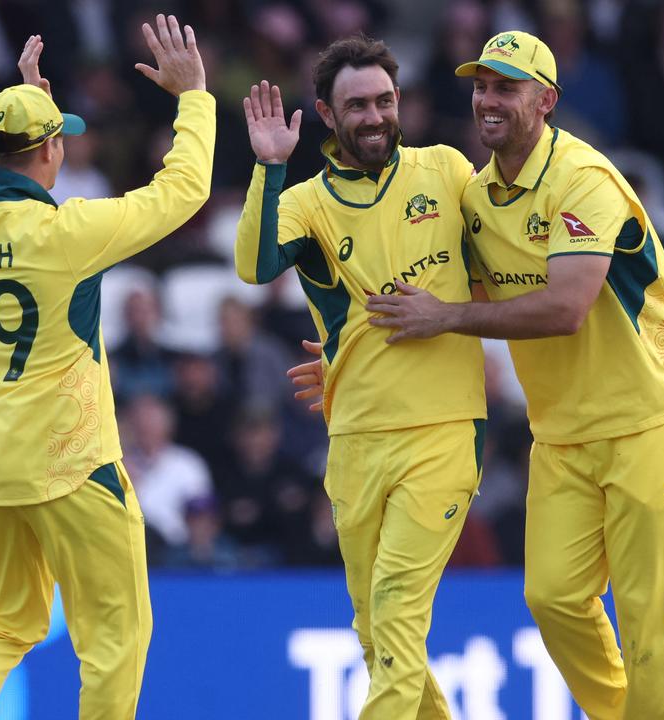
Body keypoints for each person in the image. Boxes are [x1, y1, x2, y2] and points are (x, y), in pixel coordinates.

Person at [349, 30, 664, 720]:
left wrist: (447, 317)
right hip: (565, 430)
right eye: (482, 86)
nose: (488, 101)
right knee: (552, 599)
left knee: (645, 615)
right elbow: (447, 288)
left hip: (654, 413)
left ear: (546, 100)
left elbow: (567, 307)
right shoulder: (478, 195)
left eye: (506, 88)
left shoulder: (585, 178)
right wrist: (346, 355)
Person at [0, 17, 214, 719]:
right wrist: (196, 98)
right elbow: (183, 193)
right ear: (52, 149)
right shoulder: (64, 233)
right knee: (117, 635)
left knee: (1, 624)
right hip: (73, 468)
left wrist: (21, 108)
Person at [234, 35, 486, 719]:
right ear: (325, 112)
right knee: (377, 635)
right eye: (357, 105)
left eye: (384, 100)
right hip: (354, 438)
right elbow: (255, 266)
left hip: (442, 430)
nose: (374, 116)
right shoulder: (310, 200)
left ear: (398, 101)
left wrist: (453, 314)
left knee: (399, 613)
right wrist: (268, 169)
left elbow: (505, 262)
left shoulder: (446, 169)